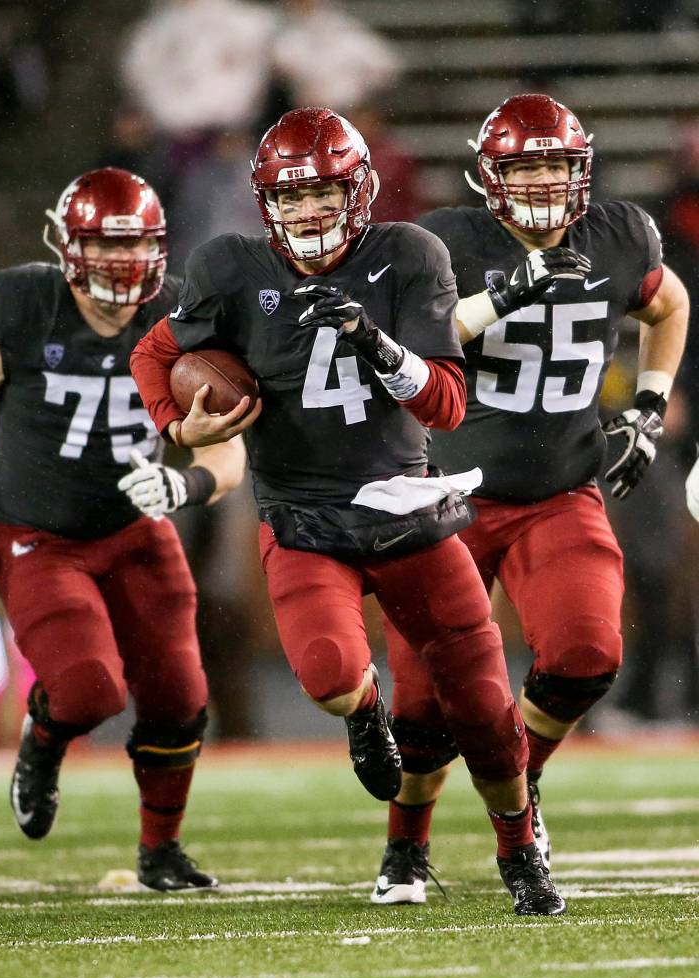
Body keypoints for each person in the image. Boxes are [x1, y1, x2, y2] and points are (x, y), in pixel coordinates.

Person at [129, 106, 592, 916]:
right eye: (292, 196)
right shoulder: (233, 267)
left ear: (362, 190)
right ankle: (368, 715)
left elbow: (447, 406)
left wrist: (377, 344)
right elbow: (154, 351)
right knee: (332, 677)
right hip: (304, 516)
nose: (308, 212)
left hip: (406, 508)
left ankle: (521, 850)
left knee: (484, 708)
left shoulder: (406, 255)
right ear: (266, 202)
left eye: (324, 193)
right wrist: (178, 425)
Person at [372, 92, 689, 904]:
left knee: (588, 653)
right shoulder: (445, 241)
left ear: (582, 171)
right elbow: (409, 350)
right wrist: (512, 290)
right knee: (422, 707)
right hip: (444, 496)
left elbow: (669, 302)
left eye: (557, 164)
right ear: (491, 176)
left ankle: (523, 779)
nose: (544, 181)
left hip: (560, 491)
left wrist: (648, 405)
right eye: (527, 166)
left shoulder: (619, 234)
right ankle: (406, 848)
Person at [0, 166, 247, 891]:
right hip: (37, 532)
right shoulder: (26, 302)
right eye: (101, 247)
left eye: (131, 248)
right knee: (87, 692)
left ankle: (160, 850)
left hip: (137, 528)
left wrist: (184, 481)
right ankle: (44, 739)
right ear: (68, 248)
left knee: (179, 694)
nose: (118, 266)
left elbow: (227, 447)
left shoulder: (177, 317)